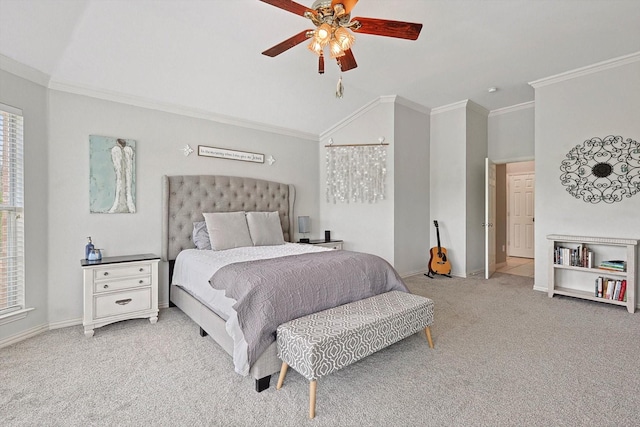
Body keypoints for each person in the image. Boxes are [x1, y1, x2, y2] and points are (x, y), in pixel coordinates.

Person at [108, 138, 136, 213]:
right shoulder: (127, 151)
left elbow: (118, 166)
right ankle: (124, 204)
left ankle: (124, 204)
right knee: (122, 182)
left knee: (121, 181)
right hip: (124, 172)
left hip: (122, 172)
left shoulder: (118, 150)